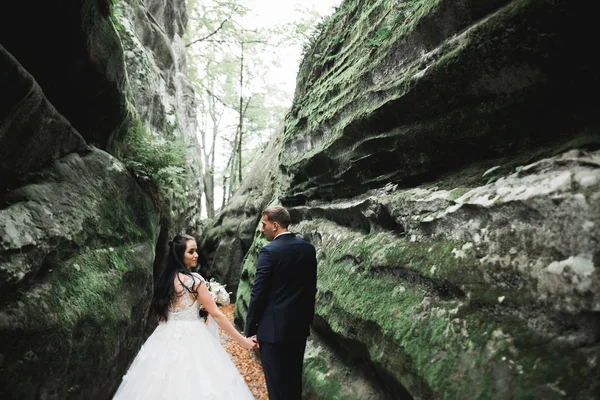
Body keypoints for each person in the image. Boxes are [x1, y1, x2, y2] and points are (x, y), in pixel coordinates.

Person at [113, 234, 256, 399]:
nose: (196, 255)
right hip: (194, 335)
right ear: (180, 254)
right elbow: (217, 315)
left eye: (196, 251)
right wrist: (243, 341)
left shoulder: (165, 281)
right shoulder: (195, 281)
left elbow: (162, 317)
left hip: (163, 336)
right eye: (191, 252)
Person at [245, 206, 318, 400]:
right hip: (298, 330)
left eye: (264, 224)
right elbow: (311, 289)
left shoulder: (269, 251)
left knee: (277, 388)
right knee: (293, 386)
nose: (262, 229)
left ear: (275, 225)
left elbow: (258, 293)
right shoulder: (308, 249)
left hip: (272, 332)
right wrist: (306, 322)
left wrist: (250, 329)